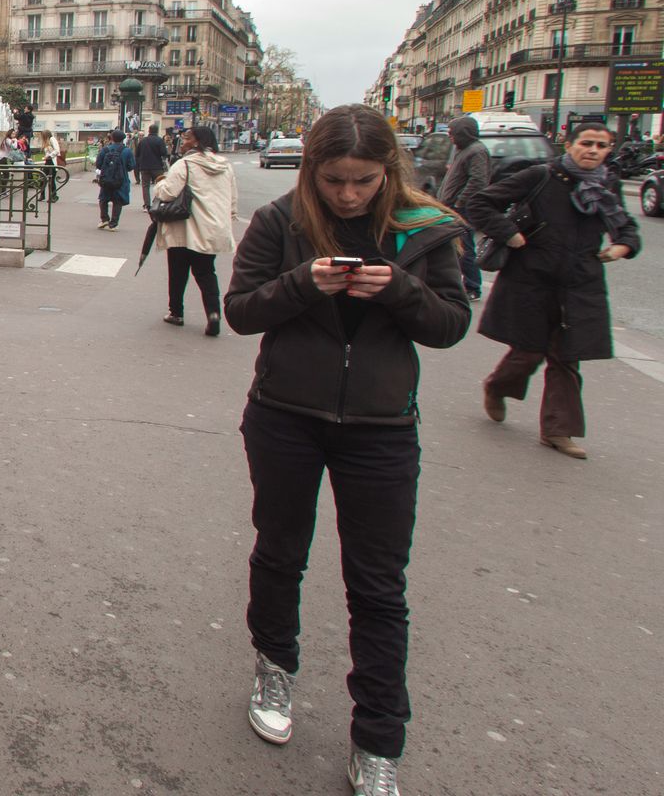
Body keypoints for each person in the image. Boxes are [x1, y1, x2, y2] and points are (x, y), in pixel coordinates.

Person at [224, 104, 470, 796]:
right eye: (334, 179)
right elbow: (243, 310)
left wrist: (403, 291)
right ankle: (275, 666)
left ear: (387, 172)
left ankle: (379, 738)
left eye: (364, 180)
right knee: (279, 552)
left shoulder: (420, 230)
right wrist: (304, 284)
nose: (349, 194)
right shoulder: (282, 222)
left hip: (382, 427)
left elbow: (451, 324)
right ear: (312, 172)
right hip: (286, 417)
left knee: (379, 585)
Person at [466, 121, 639, 460]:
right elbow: (481, 203)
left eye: (601, 146)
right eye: (586, 143)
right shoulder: (540, 176)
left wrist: (622, 247)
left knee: (566, 357)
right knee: (528, 351)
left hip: (579, 283)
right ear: (569, 144)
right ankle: (497, 386)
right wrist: (509, 234)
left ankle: (559, 431)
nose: (593, 151)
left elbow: (627, 229)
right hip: (530, 279)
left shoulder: (607, 185)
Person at [153, 125, 238, 335]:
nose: (182, 142)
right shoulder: (225, 166)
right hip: (212, 228)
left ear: (198, 142)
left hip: (185, 226)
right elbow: (232, 199)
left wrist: (160, 183)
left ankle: (176, 312)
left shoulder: (185, 165)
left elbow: (167, 193)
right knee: (207, 273)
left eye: (187, 138)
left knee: (178, 271)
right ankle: (214, 314)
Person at [437, 115, 491, 301]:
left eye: (452, 133)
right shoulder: (464, 149)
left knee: (464, 247)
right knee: (456, 246)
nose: (449, 136)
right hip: (452, 206)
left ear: (463, 133)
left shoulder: (476, 151)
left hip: (461, 209)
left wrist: (460, 202)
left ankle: (473, 286)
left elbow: (478, 180)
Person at [94, 130, 134, 230]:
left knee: (103, 199)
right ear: (123, 139)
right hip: (121, 180)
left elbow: (98, 164)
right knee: (118, 201)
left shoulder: (105, 149)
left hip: (106, 179)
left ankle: (104, 219)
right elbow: (131, 166)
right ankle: (113, 224)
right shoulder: (127, 151)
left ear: (111, 138)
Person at [135, 123, 170, 209]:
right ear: (157, 131)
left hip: (144, 167)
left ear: (149, 131)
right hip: (157, 166)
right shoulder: (159, 140)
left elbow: (137, 153)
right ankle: (157, 202)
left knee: (145, 186)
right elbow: (164, 153)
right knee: (160, 184)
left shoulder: (143, 141)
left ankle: (147, 205)